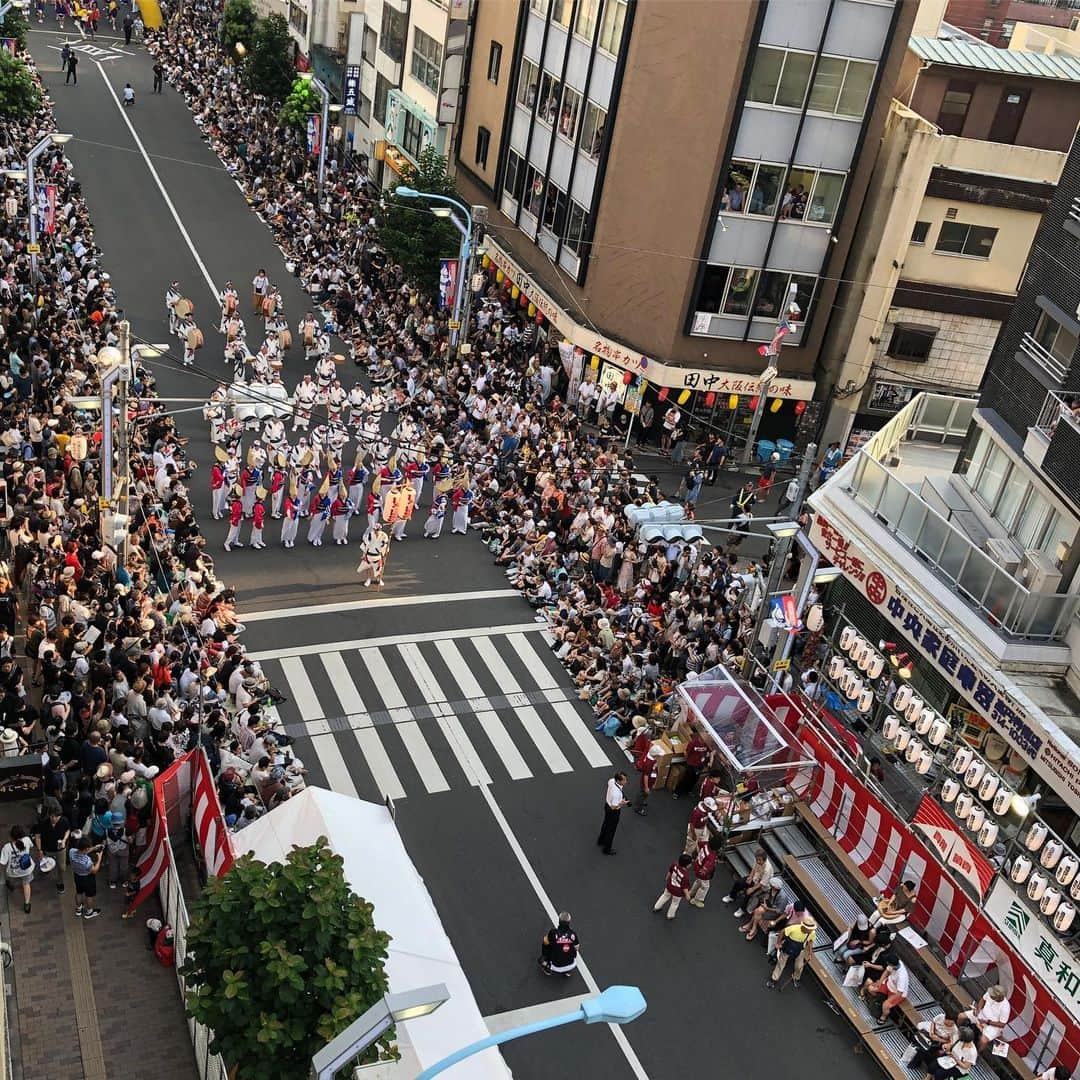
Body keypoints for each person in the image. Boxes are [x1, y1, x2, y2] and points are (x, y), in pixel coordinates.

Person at [766, 914, 816, 989]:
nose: (811, 930)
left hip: (800, 949)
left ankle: (796, 978)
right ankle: (774, 979)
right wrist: (778, 943)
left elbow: (810, 941)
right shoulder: (794, 928)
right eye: (810, 929)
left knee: (799, 966)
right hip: (788, 946)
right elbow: (782, 932)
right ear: (805, 927)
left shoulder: (811, 933)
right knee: (781, 963)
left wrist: (810, 952)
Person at [723, 847, 774, 917]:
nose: (757, 861)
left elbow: (762, 883)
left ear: (764, 860)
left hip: (762, 886)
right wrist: (750, 877)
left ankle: (742, 910)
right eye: (757, 859)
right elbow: (754, 868)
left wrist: (752, 889)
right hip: (755, 878)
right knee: (738, 882)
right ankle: (732, 896)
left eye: (759, 860)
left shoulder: (768, 869)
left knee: (748, 893)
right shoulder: (757, 860)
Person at [959, 985, 1011, 1051]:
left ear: (998, 997)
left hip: (992, 1025)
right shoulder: (990, 993)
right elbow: (983, 1000)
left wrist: (987, 1022)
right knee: (961, 1016)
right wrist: (978, 1010)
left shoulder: (1005, 1008)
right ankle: (960, 1032)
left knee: (983, 1041)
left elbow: (1002, 1024)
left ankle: (977, 1052)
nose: (990, 995)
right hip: (982, 1014)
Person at [1, 824, 35, 913]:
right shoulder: (27, 840)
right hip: (26, 869)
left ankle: (10, 885)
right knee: (26, 884)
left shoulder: (7, 847)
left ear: (11, 836)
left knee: (10, 878)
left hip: (13, 871)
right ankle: (27, 905)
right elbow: (31, 846)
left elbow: (3, 863)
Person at [69, 836, 104, 919]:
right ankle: (89, 912)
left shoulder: (72, 851)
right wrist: (99, 858)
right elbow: (95, 870)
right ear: (85, 849)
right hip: (87, 878)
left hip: (77, 876)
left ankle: (78, 908)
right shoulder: (87, 861)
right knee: (89, 895)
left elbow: (83, 851)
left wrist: (94, 848)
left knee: (79, 892)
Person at [653, 853, 692, 920]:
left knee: (664, 896)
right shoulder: (685, 876)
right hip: (677, 892)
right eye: (690, 863)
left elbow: (670, 872)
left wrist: (667, 877)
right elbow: (685, 888)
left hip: (670, 886)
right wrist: (688, 896)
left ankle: (657, 907)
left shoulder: (674, 864)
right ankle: (670, 915)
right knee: (675, 903)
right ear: (687, 865)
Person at [539, 912, 579, 977]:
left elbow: (545, 942)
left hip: (556, 965)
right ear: (569, 922)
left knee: (545, 944)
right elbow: (576, 947)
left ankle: (547, 966)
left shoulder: (553, 932)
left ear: (559, 921)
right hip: (571, 964)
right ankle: (567, 971)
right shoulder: (573, 934)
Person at [597, 772, 628, 855]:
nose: (626, 781)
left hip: (607, 806)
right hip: (613, 811)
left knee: (605, 824)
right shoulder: (616, 794)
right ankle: (607, 849)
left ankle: (601, 840)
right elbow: (613, 807)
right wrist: (622, 803)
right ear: (618, 780)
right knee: (611, 830)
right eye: (624, 780)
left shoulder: (611, 781)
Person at [687, 836, 722, 908]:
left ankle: (691, 892)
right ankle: (697, 900)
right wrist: (706, 874)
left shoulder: (706, 844)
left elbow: (698, 844)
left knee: (698, 881)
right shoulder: (711, 857)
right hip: (703, 874)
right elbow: (706, 869)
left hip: (697, 865)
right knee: (705, 886)